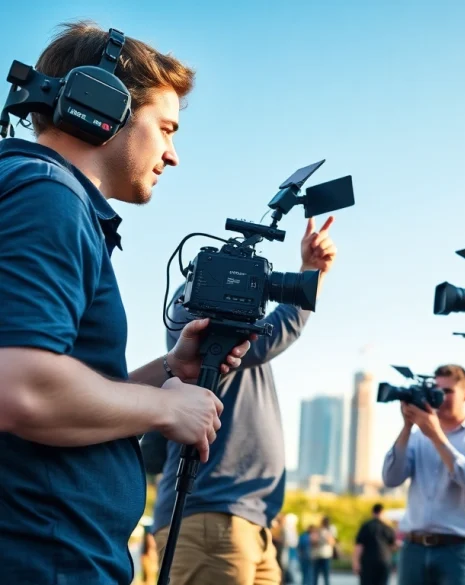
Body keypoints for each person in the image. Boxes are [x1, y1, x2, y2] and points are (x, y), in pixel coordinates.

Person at [0, 21, 251, 585]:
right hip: (46, 559)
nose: (173, 154)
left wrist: (168, 372)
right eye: (165, 128)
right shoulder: (48, 199)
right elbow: (17, 389)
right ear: (100, 107)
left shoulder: (32, 192)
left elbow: (57, 393)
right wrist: (166, 408)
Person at [142, 215, 336, 585]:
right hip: (210, 516)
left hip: (250, 521)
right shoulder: (196, 304)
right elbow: (274, 335)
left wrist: (311, 272)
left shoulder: (243, 326)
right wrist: (310, 272)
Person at [381, 364, 465, 585]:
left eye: (447, 391)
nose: (440, 397)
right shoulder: (418, 437)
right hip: (413, 549)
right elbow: (390, 478)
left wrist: (437, 436)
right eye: (436, 390)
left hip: (457, 550)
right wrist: (407, 427)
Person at [354, 504, 398, 585]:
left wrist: (356, 562)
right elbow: (394, 546)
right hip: (384, 561)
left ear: (373, 512)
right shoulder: (387, 527)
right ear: (383, 512)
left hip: (367, 562)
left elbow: (359, 546)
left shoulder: (366, 526)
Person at [311, 517, 337, 585]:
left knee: (326, 575)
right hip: (317, 555)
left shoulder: (330, 530)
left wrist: (326, 534)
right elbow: (313, 541)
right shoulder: (318, 530)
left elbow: (332, 542)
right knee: (315, 575)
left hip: (326, 555)